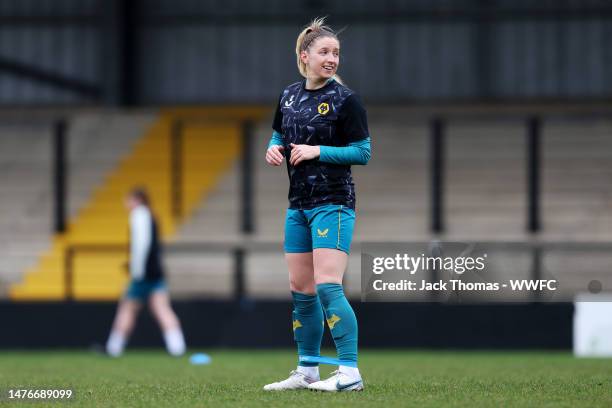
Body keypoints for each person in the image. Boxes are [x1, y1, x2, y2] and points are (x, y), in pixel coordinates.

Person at [263, 17, 371, 392]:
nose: (332, 59)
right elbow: (278, 132)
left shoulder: (346, 100)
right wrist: (273, 148)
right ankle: (307, 369)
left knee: (328, 285)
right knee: (301, 287)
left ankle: (349, 372)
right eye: (324, 52)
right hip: (299, 204)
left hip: (334, 202)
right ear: (304, 56)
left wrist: (317, 150)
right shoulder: (289, 95)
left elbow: (363, 151)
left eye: (336, 53)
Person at [106, 187, 186, 357]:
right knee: (162, 309)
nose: (126, 203)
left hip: (142, 275)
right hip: (156, 272)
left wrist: (136, 269)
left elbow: (141, 244)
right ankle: (177, 347)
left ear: (138, 200)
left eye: (128, 200)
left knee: (127, 309)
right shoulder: (151, 215)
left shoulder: (139, 214)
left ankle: (113, 348)